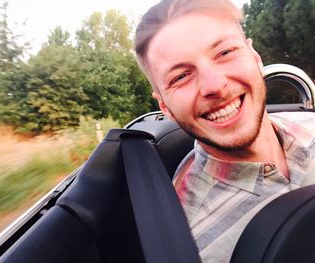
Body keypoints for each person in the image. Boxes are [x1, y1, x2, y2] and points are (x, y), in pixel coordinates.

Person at [135, 0, 315, 262]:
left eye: (225, 52)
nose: (215, 85)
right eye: (181, 76)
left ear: (255, 58)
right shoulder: (187, 245)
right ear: (166, 107)